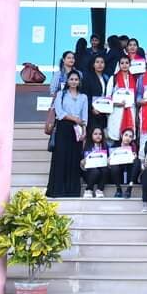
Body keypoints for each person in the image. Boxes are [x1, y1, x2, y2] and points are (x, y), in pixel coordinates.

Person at [46, 70, 88, 198]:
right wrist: (74, 118)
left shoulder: (83, 97)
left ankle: (72, 191)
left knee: (74, 159)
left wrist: (84, 131)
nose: (74, 82)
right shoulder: (61, 94)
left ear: (79, 82)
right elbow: (59, 112)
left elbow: (84, 116)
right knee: (61, 158)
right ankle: (58, 190)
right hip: (63, 128)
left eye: (76, 79)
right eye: (71, 79)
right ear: (67, 81)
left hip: (77, 130)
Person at [109, 55, 138, 140]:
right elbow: (107, 97)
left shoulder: (135, 79)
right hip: (117, 111)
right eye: (122, 63)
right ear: (119, 65)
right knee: (116, 135)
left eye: (127, 63)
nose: (124, 65)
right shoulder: (113, 78)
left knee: (129, 136)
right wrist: (116, 103)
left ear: (130, 64)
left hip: (131, 110)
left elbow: (136, 96)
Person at [86, 53, 114, 133]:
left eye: (102, 62)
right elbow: (86, 95)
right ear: (93, 64)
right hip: (92, 112)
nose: (100, 64)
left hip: (104, 111)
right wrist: (91, 108)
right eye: (97, 62)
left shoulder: (106, 78)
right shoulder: (88, 78)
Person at [81, 125, 111, 198]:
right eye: (95, 134)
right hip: (89, 172)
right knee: (95, 171)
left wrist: (108, 161)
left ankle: (100, 190)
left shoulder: (105, 146)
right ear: (91, 135)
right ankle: (89, 189)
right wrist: (83, 162)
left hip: (102, 171)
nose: (98, 136)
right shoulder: (87, 145)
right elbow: (82, 164)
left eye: (100, 134)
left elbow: (108, 160)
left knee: (105, 170)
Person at [110, 126, 139, 198]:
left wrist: (134, 157)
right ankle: (118, 189)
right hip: (118, 174)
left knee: (137, 161)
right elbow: (110, 161)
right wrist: (109, 160)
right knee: (114, 166)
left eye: (130, 136)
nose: (127, 138)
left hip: (130, 173)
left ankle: (129, 188)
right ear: (121, 135)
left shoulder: (134, 147)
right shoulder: (115, 146)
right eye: (126, 135)